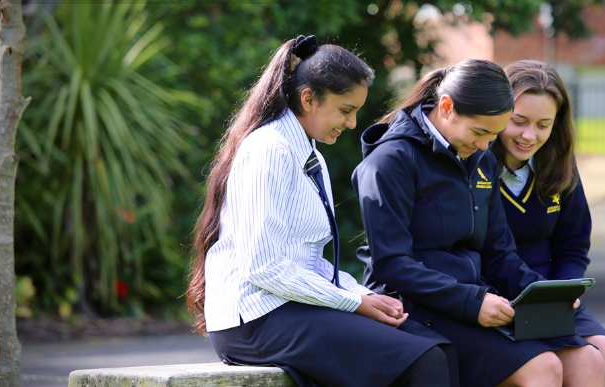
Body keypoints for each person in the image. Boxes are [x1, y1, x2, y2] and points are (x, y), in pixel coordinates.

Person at [185, 35, 456, 387]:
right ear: (308, 98)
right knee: (423, 361)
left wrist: (359, 293)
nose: (353, 123)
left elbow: (307, 262)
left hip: (289, 307)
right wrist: (350, 302)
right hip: (252, 321)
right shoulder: (268, 150)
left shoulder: (311, 155)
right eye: (346, 110)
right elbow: (264, 267)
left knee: (438, 347)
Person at [353, 59, 604, 387]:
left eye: (494, 135)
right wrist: (472, 303)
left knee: (588, 359)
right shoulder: (390, 161)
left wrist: (545, 295)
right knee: (543, 368)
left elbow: (499, 253)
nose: (487, 146)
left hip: (475, 299)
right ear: (446, 107)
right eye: (480, 132)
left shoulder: (480, 158)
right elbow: (392, 265)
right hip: (412, 307)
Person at [492, 60, 605, 387]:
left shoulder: (560, 165)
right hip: (496, 298)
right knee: (564, 363)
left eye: (543, 125)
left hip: (550, 297)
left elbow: (573, 244)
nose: (528, 135)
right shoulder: (476, 166)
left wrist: (566, 290)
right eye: (518, 121)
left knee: (602, 348)